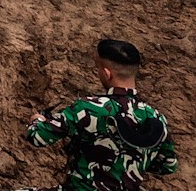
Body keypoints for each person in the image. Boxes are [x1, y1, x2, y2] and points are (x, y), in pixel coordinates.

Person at [26, 38, 178, 191]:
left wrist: (37, 121)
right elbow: (168, 165)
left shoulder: (88, 108)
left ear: (107, 74)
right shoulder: (156, 118)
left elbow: (38, 137)